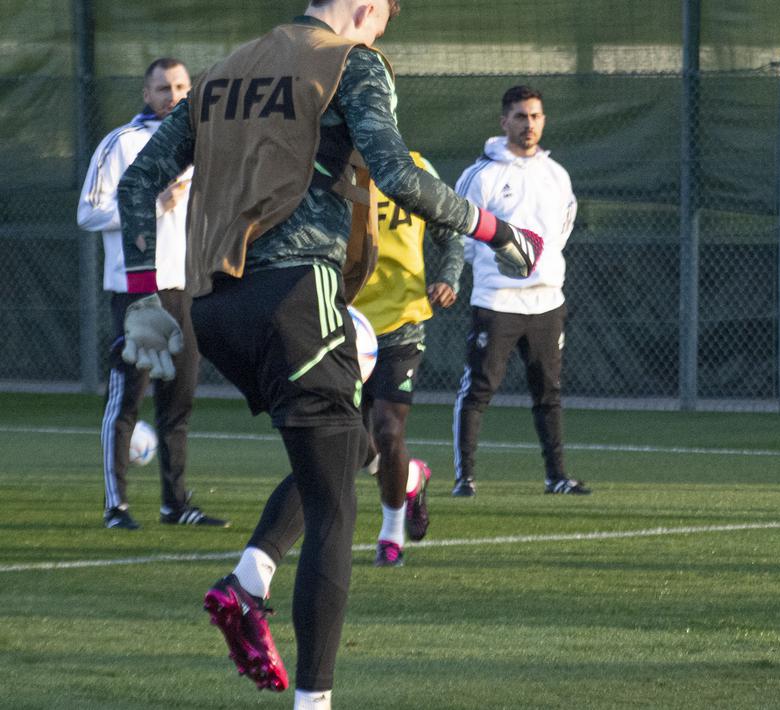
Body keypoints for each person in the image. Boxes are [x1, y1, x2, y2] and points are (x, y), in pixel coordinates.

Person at [115, 1, 541, 706]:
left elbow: (138, 184)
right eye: (383, 21)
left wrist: (141, 298)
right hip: (295, 296)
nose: (380, 36)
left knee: (341, 449)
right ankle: (313, 699)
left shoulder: (220, 72)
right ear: (366, 7)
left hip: (215, 310)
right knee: (336, 501)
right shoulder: (350, 62)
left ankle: (248, 581)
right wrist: (497, 231)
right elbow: (400, 177)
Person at [76, 57, 227, 531]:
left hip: (185, 290)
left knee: (178, 401)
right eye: (163, 88)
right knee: (127, 399)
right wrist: (150, 205)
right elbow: (87, 213)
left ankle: (175, 504)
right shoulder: (121, 144)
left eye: (182, 86)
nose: (174, 95)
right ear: (147, 94)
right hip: (136, 293)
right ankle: (116, 506)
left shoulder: (202, 147)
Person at [452, 85, 586, 497]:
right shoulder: (483, 175)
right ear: (504, 121)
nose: (529, 125)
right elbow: (461, 232)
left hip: (547, 302)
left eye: (536, 116)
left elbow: (562, 230)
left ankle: (557, 477)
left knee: (549, 391)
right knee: (479, 388)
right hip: (497, 301)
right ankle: (466, 479)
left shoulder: (556, 174)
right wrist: (496, 269)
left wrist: (541, 270)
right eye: (521, 117)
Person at [352, 150, 464, 568]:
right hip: (345, 320)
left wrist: (449, 277)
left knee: (387, 428)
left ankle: (390, 533)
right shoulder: (326, 164)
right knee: (349, 438)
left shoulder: (413, 167)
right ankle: (412, 478)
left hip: (402, 320)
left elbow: (450, 230)